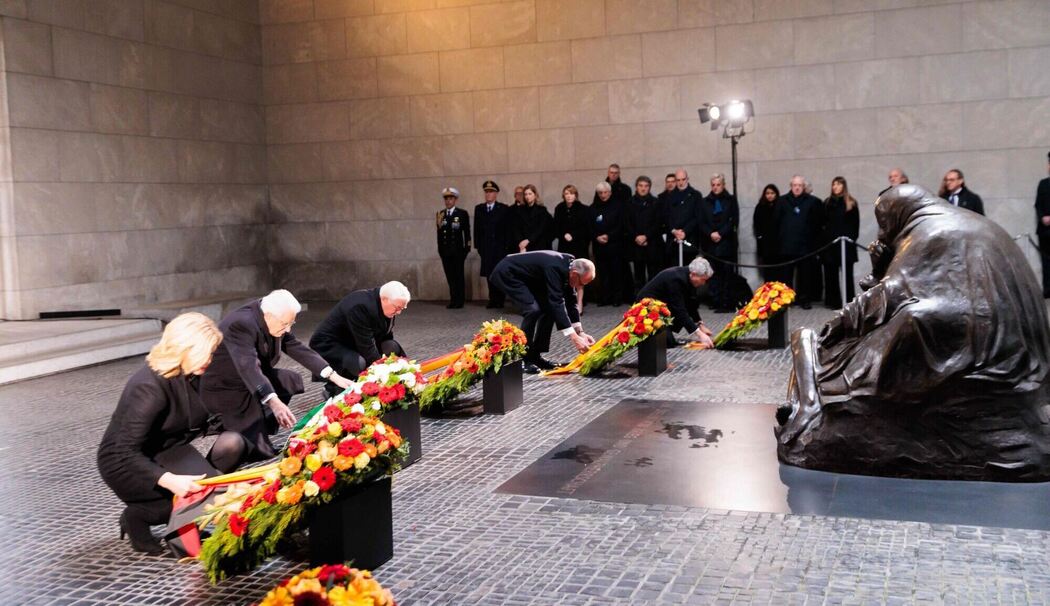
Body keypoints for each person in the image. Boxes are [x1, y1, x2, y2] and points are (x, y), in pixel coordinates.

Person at [98, 313, 247, 555]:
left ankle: (179, 512)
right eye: (206, 353)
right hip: (124, 464)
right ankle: (137, 516)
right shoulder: (148, 388)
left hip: (165, 448)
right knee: (191, 500)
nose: (210, 359)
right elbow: (124, 451)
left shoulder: (187, 371)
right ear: (185, 349)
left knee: (206, 493)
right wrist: (171, 481)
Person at [201, 290, 352, 462]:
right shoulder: (241, 324)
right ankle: (246, 440)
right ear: (269, 315)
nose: (288, 329)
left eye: (291, 323)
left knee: (290, 380)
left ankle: (262, 429)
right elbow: (248, 367)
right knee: (251, 439)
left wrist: (333, 375)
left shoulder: (273, 318)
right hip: (226, 385)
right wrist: (274, 402)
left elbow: (296, 347)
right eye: (285, 324)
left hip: (250, 376)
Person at [488, 251, 596, 374]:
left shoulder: (570, 267)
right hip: (508, 273)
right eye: (582, 283)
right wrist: (574, 337)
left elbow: (571, 301)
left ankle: (536, 357)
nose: (581, 287)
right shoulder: (555, 267)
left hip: (528, 277)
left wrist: (580, 332)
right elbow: (557, 301)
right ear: (575, 274)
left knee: (549, 310)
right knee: (532, 311)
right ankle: (525, 358)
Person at [310, 281, 410, 395]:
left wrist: (399, 368)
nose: (400, 312)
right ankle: (334, 388)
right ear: (384, 299)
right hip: (331, 344)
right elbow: (366, 347)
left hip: (355, 341)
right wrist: (384, 373)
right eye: (397, 308)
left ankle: (368, 384)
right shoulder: (359, 306)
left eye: (403, 308)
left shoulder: (388, 306)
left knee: (391, 346)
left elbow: (386, 336)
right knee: (358, 362)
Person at [637, 257, 716, 349]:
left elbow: (691, 304)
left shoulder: (689, 276)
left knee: (669, 340)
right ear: (694, 274)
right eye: (703, 280)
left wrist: (700, 325)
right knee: (668, 342)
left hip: (662, 307)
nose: (704, 283)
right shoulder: (676, 279)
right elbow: (680, 309)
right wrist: (699, 334)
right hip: (646, 308)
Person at [773, 175, 823, 308]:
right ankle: (787, 300)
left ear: (803, 187)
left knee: (805, 275)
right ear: (791, 186)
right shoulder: (782, 201)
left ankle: (804, 299)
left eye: (799, 185)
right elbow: (775, 223)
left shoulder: (812, 202)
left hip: (805, 246)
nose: (797, 188)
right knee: (786, 275)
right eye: (795, 185)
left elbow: (817, 224)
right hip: (786, 245)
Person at [699, 173, 740, 310]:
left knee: (727, 274)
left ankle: (727, 302)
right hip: (710, 244)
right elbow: (702, 222)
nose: (715, 187)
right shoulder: (705, 202)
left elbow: (734, 220)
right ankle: (716, 301)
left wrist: (721, 233)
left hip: (726, 243)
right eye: (713, 185)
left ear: (723, 185)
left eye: (718, 185)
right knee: (713, 275)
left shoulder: (731, 200)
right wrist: (710, 233)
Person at [820, 177, 860, 308]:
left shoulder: (851, 203)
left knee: (847, 275)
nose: (835, 187)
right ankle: (833, 302)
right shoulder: (827, 203)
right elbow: (823, 224)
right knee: (831, 275)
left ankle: (849, 302)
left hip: (846, 245)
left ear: (843, 186)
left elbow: (855, 225)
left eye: (838, 184)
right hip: (831, 245)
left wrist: (851, 239)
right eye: (834, 184)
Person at [553, 184, 591, 312]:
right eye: (566, 193)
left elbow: (586, 229)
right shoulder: (559, 209)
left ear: (576, 195)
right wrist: (563, 234)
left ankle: (579, 303)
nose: (569, 196)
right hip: (564, 247)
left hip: (578, 246)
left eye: (571, 193)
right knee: (565, 275)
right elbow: (555, 227)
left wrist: (573, 235)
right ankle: (568, 301)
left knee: (579, 275)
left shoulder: (583, 209)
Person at [473, 180, 511, 308]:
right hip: (486, 248)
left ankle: (500, 299)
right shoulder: (479, 209)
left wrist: (506, 247)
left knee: (499, 274)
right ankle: (492, 299)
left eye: (491, 192)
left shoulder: (503, 208)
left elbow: (507, 229)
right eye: (486, 192)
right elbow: (476, 230)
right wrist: (478, 247)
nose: (488, 194)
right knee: (489, 274)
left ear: (496, 194)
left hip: (500, 249)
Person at [625, 175, 665, 294]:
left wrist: (646, 236)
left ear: (649, 188)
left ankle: (653, 299)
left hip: (652, 244)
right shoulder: (629, 203)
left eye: (646, 186)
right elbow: (627, 223)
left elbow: (658, 222)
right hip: (636, 244)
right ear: (636, 187)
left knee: (653, 274)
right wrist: (636, 237)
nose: (643, 188)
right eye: (640, 186)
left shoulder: (655, 202)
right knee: (638, 275)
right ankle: (639, 300)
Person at [590, 181, 628, 306]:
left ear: (610, 192)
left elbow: (621, 225)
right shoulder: (593, 207)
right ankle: (605, 297)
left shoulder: (618, 206)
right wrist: (596, 236)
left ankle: (617, 298)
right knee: (602, 273)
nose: (603, 195)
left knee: (616, 272)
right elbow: (589, 226)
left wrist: (609, 235)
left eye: (605, 192)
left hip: (615, 245)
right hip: (599, 246)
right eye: (600, 193)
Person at [436, 186, 470, 309]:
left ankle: (459, 300)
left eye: (451, 198)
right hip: (445, 252)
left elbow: (467, 233)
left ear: (455, 200)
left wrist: (467, 249)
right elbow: (439, 235)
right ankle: (453, 299)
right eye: (446, 199)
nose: (448, 201)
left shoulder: (462, 214)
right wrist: (440, 250)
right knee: (450, 277)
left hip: (458, 252)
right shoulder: (440, 214)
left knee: (458, 276)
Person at [664, 169, 702, 266]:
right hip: (673, 242)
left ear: (687, 179)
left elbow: (698, 217)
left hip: (689, 240)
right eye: (678, 180)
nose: (681, 182)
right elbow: (666, 216)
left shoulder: (695, 195)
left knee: (689, 271)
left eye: (683, 179)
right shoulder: (670, 196)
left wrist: (685, 231)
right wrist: (674, 231)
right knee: (674, 271)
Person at [512, 184, 553, 252]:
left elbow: (541, 229)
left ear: (535, 195)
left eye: (530, 194)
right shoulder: (519, 210)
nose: (527, 196)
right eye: (525, 194)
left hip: (538, 245)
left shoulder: (542, 210)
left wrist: (528, 240)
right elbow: (516, 228)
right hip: (523, 246)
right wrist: (521, 243)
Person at [753, 184, 780, 282]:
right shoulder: (760, 207)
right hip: (765, 245)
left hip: (778, 245)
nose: (770, 196)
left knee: (779, 272)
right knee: (768, 272)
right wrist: (760, 237)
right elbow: (757, 225)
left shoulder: (780, 206)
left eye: (772, 193)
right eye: (767, 193)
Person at [1036, 152, 1050, 298]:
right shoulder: (1043, 184)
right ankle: (1047, 289)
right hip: (1045, 231)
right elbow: (1037, 205)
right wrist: (1042, 218)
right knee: (1046, 262)